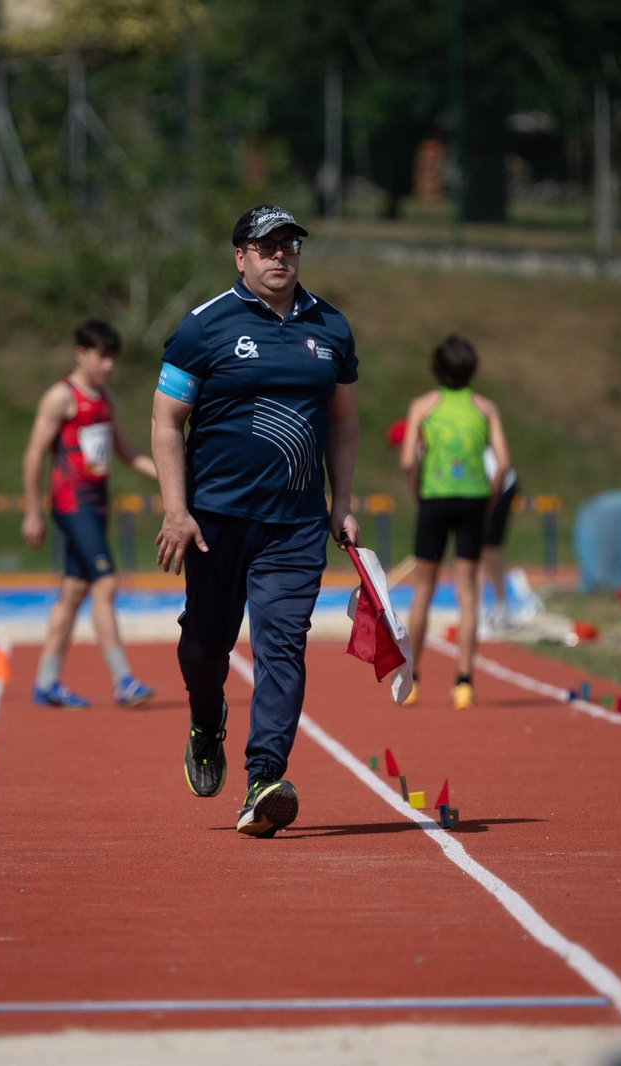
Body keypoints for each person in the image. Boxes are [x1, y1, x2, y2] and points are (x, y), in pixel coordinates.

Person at [153, 204, 359, 838]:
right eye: (267, 246)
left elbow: (344, 422)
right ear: (240, 256)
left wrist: (343, 502)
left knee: (282, 647)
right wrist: (176, 510)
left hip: (295, 526)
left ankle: (264, 779)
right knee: (204, 648)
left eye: (290, 245)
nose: (280, 256)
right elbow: (166, 421)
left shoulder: (332, 327)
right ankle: (205, 717)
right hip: (215, 522)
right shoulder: (202, 327)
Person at [21, 320, 159, 707]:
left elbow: (128, 454)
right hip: (71, 503)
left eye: (113, 357)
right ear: (81, 354)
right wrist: (32, 512)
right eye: (101, 356)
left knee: (74, 592)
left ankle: (46, 682)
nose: (108, 365)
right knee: (105, 584)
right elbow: (33, 455)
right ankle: (123, 679)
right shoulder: (60, 398)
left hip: (97, 504)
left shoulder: (105, 399)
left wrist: (171, 477)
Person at [398, 335, 509, 708]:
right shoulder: (486, 408)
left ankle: (412, 679)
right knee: (468, 592)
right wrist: (489, 500)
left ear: (436, 368)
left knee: (423, 590)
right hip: (473, 500)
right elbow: (503, 464)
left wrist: (418, 494)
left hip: (435, 498)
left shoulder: (423, 406)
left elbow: (408, 461)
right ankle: (464, 682)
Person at [478, 444, 521, 635]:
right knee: (478, 549)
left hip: (499, 488)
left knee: (486, 549)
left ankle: (499, 608)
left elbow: (501, 468)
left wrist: (489, 505)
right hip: (483, 489)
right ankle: (481, 608)